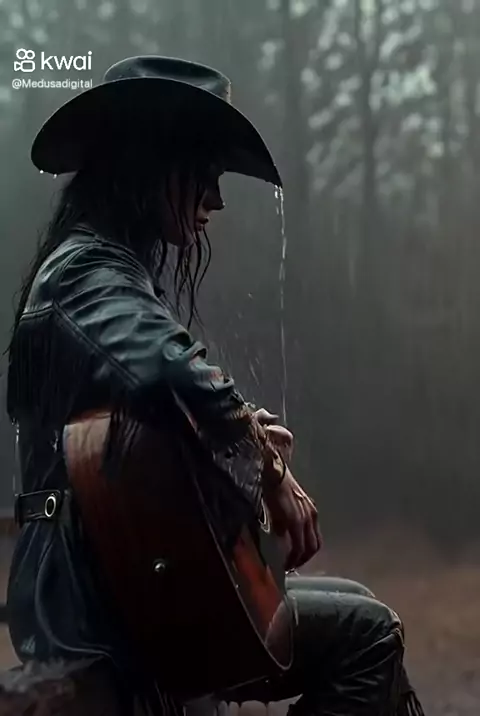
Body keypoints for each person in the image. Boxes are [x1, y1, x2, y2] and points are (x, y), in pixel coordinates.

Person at [6, 56, 425, 716]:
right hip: (93, 605)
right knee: (366, 635)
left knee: (361, 614)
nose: (216, 198)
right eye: (202, 169)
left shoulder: (109, 271)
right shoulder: (84, 270)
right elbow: (168, 369)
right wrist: (267, 464)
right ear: (147, 164)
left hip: (139, 577)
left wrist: (235, 432)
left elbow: (158, 400)